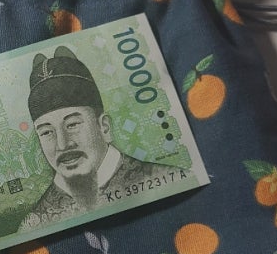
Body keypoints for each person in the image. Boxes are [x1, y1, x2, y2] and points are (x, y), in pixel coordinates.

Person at [18, 45, 166, 231]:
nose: (62, 144)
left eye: (72, 124)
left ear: (104, 127)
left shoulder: (163, 178)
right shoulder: (34, 223)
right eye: (47, 132)